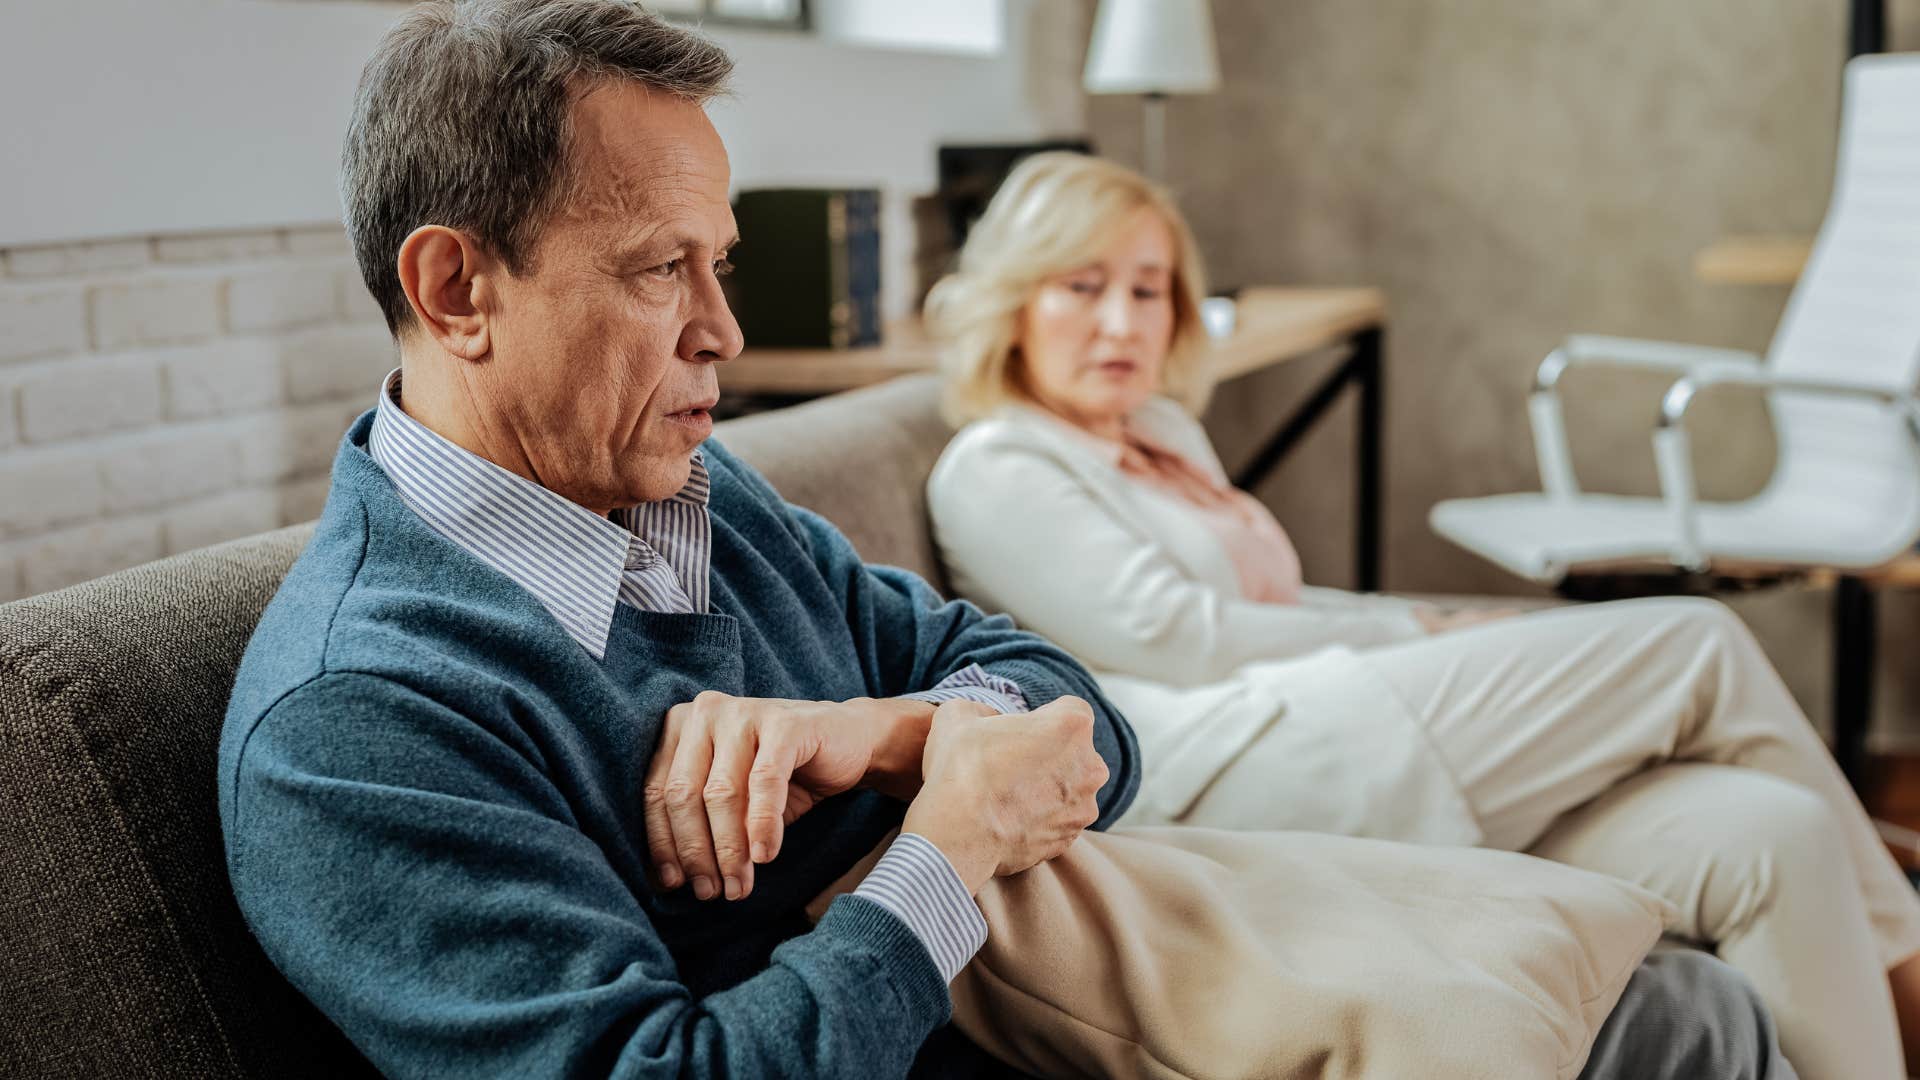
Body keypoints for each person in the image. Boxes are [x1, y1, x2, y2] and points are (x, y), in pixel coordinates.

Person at [219, 4, 1788, 1078]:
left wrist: (886, 732)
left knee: (1699, 998)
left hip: (1141, 984)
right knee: (1680, 1030)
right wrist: (951, 841)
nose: (724, 329)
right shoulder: (359, 720)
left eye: (722, 261)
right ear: (454, 290)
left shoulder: (695, 494)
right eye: (656, 270)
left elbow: (1063, 704)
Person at [924, 150, 1920, 1080]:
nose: (1123, 323)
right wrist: (1419, 634)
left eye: (1148, 290)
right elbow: (1183, 638)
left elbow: (1271, 602)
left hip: (1334, 722)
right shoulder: (1000, 464)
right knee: (1696, 641)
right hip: (1237, 770)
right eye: (1082, 287)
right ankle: (1913, 966)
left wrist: (1424, 615)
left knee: (1773, 833)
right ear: (1015, 302)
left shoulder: (1159, 434)